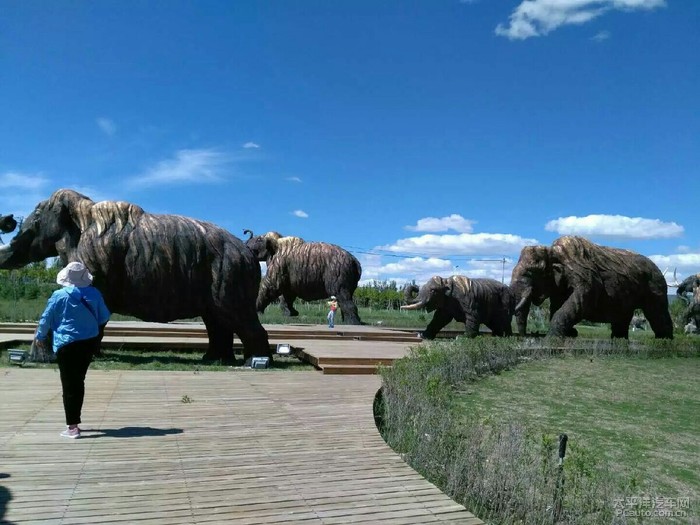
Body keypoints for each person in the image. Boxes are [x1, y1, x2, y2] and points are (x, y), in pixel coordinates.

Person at [34, 261, 110, 439]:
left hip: (66, 344)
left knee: (69, 384)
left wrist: (40, 336)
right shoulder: (95, 294)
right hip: (87, 343)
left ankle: (72, 427)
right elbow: (104, 316)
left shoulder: (58, 295)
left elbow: (46, 318)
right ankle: (75, 421)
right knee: (79, 381)